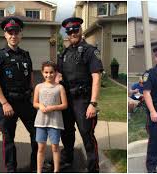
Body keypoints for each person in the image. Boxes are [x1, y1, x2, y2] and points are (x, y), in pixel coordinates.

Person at [0, 16, 38, 172]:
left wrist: (34, 96)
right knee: (8, 139)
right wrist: (4, 103)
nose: (13, 35)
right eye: (10, 32)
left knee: (37, 133)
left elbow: (30, 78)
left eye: (16, 32)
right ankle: (11, 169)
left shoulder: (26, 55)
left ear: (20, 34)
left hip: (24, 102)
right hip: (7, 103)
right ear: (5, 34)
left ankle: (36, 164)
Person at [56, 17, 103, 172]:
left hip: (83, 100)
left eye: (75, 29)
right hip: (66, 100)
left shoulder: (90, 51)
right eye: (69, 31)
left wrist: (93, 103)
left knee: (86, 134)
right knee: (67, 133)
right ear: (67, 34)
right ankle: (67, 160)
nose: (72, 33)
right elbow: (59, 76)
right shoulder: (64, 53)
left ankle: (93, 167)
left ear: (80, 30)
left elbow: (96, 77)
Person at [33, 61, 68, 173]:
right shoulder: (38, 87)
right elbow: (35, 103)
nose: (49, 75)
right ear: (42, 73)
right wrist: (40, 105)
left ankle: (56, 170)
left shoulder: (60, 88)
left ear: (55, 72)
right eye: (46, 72)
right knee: (41, 148)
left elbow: (65, 105)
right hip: (40, 122)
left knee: (55, 148)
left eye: (51, 72)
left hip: (55, 122)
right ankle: (39, 171)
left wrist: (52, 107)